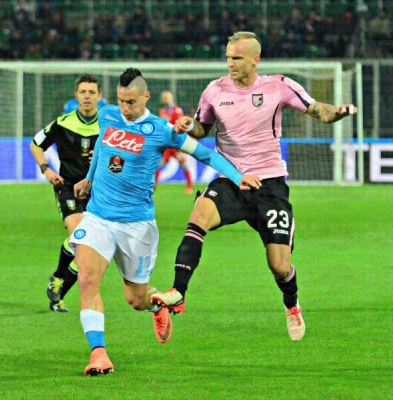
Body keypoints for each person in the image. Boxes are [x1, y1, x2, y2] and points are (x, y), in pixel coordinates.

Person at [151, 31, 358, 342]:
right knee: (200, 213)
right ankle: (178, 292)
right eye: (228, 58)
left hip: (270, 185)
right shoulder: (214, 90)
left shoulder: (279, 86)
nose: (230, 63)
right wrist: (188, 126)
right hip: (232, 180)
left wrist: (338, 113)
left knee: (279, 265)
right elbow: (201, 128)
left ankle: (292, 304)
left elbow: (319, 110)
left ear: (255, 59)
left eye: (237, 58)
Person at [70, 68, 261, 376]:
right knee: (87, 280)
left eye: (131, 102)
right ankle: (99, 354)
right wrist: (89, 179)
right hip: (98, 218)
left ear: (146, 97)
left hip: (137, 226)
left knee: (136, 299)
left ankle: (157, 306)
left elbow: (206, 155)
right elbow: (102, 149)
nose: (125, 108)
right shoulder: (107, 115)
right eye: (121, 100)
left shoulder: (161, 130)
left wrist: (239, 177)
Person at [30, 75, 103, 313]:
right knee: (80, 237)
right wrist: (46, 169)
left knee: (88, 253)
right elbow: (36, 144)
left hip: (98, 192)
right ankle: (58, 281)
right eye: (83, 92)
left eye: (92, 92)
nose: (87, 96)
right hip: (68, 187)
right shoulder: (62, 123)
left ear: (100, 96)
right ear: (76, 96)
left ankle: (58, 290)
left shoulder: (109, 126)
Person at [155, 90, 194, 194]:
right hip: (166, 144)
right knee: (158, 164)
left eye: (167, 96)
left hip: (176, 144)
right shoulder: (162, 111)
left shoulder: (177, 110)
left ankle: (190, 186)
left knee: (183, 164)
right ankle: (153, 187)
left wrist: (181, 143)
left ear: (171, 98)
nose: (165, 98)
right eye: (163, 96)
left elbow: (180, 127)